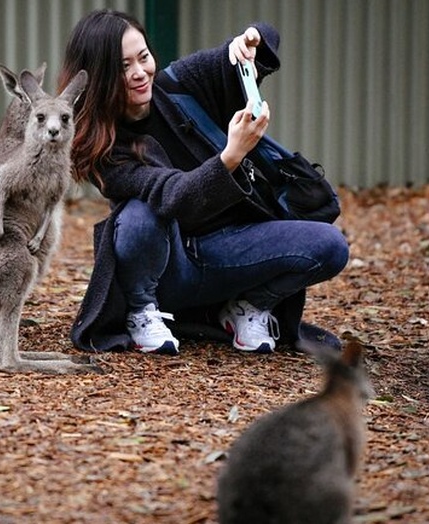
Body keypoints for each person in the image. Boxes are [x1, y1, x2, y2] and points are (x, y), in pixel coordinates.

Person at [57, 9, 348, 356]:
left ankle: (247, 306)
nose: (139, 73)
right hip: (170, 267)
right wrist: (231, 156)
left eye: (144, 57)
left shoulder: (180, 84)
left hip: (235, 248)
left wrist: (249, 41)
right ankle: (142, 310)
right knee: (136, 216)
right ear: (101, 76)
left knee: (331, 246)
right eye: (123, 67)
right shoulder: (105, 148)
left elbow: (245, 49)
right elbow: (174, 197)